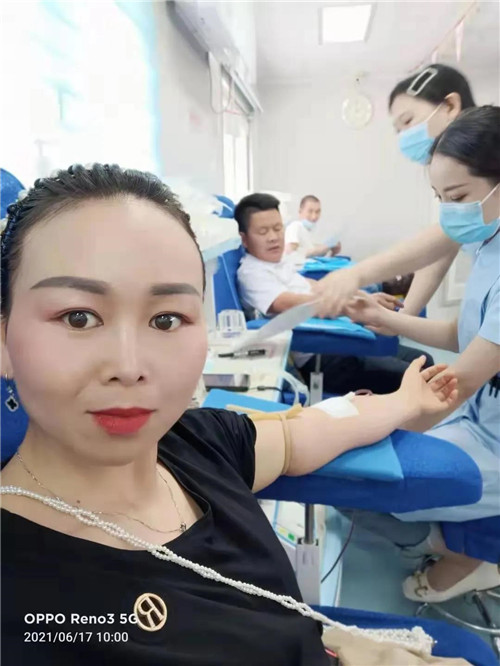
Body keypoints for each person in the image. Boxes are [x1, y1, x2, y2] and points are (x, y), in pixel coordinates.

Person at [0, 164, 458, 665]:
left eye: (166, 319)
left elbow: (307, 432)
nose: (129, 368)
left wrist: (404, 402)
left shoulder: (194, 443)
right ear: (4, 338)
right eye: (78, 317)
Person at [343, 106, 500, 601]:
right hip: (478, 419)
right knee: (363, 457)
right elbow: (465, 334)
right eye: (440, 198)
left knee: (362, 480)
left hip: (492, 438)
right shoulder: (489, 244)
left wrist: (372, 422)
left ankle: (466, 553)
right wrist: (386, 318)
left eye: (459, 197)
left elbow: (459, 382)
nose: (449, 212)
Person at [316, 64, 477, 320]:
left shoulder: (487, 161)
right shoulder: (455, 174)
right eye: (399, 130)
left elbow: (445, 235)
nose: (404, 136)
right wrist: (403, 316)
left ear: (449, 106)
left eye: (408, 121)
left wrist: (356, 274)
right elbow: (441, 250)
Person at [235, 193, 433, 396]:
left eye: (278, 228)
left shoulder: (278, 262)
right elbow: (287, 303)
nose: (273, 237)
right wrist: (349, 305)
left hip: (339, 339)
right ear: (245, 238)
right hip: (322, 355)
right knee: (421, 375)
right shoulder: (252, 273)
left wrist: (361, 296)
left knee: (424, 360)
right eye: (263, 231)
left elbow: (312, 286)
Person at [285, 195, 341, 260]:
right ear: (300, 211)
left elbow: (320, 257)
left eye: (317, 212)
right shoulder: (295, 227)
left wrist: (333, 250)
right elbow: (289, 254)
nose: (314, 216)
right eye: (310, 211)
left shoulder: (314, 231)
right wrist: (324, 248)